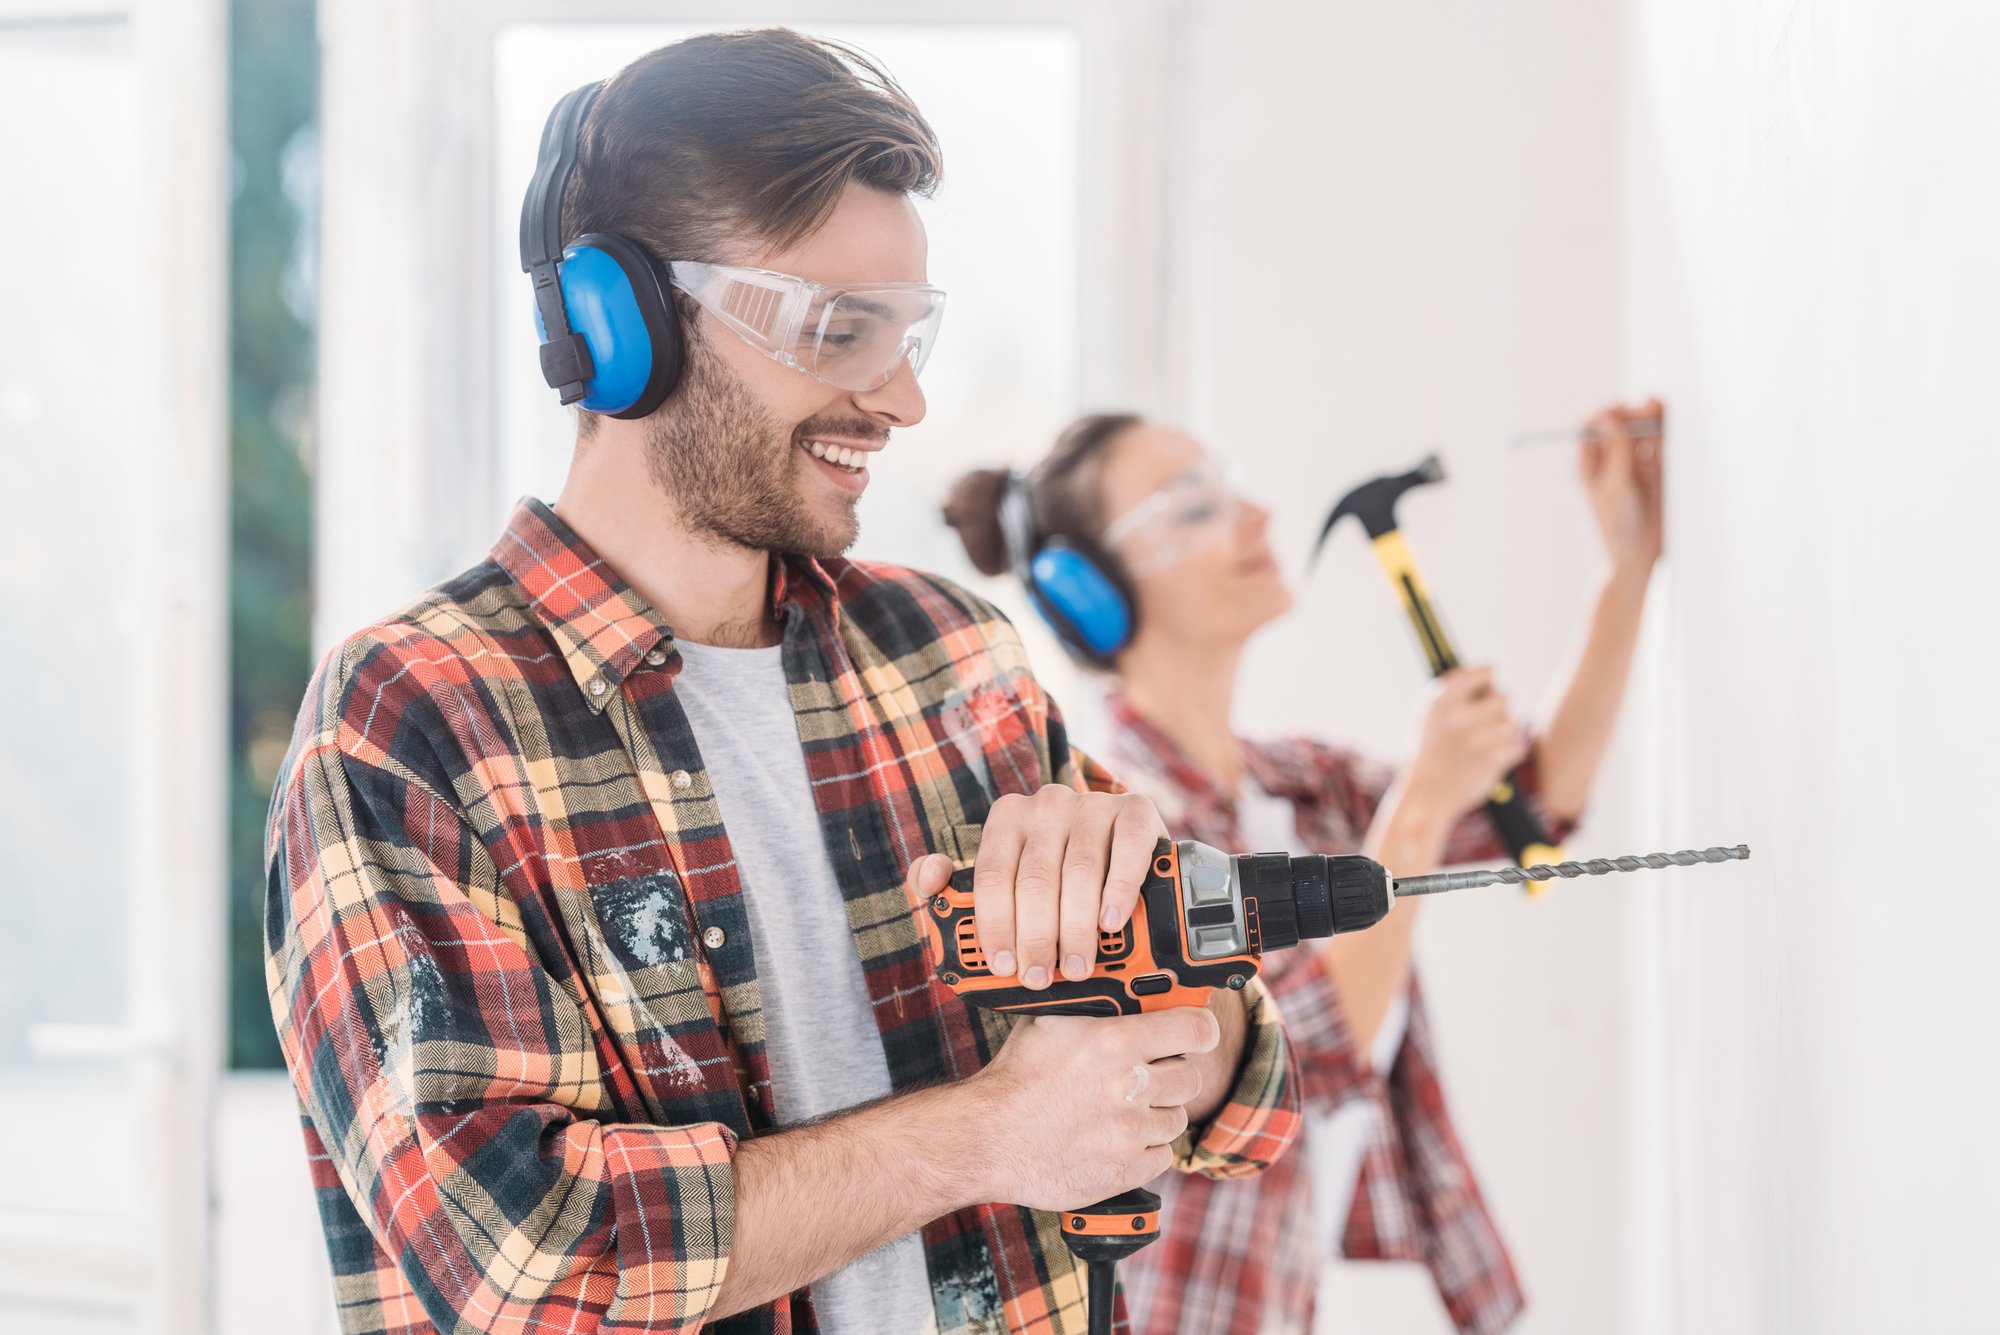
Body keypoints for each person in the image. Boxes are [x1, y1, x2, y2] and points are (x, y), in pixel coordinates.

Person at [264, 32, 1298, 1335]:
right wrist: (988, 1130)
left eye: (909, 332)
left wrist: (1162, 1005)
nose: (905, 397)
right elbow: (523, 1264)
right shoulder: (412, 719)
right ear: (619, 325)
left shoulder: (952, 656)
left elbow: (1244, 1064)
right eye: (840, 330)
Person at [942, 402, 1663, 1333]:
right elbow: (1300, 1055)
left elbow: (1528, 807)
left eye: (1227, 486)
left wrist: (1628, 566)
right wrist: (1423, 803)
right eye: (1191, 507)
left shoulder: (1300, 783)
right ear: (1089, 590)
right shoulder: (1104, 832)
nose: (1257, 517)